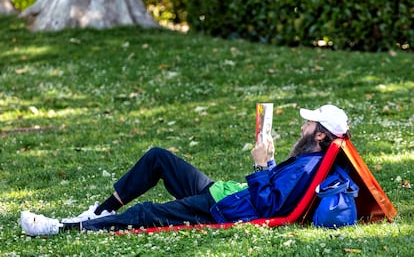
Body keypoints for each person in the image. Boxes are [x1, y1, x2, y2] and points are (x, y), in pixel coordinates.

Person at [21, 104, 350, 236]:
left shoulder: (309, 167)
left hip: (222, 209)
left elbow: (268, 208)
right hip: (226, 193)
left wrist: (261, 164)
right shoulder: (311, 162)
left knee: (148, 212)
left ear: (320, 134)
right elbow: (279, 192)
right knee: (158, 157)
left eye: (310, 123)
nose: (303, 125)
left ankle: (64, 228)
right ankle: (99, 212)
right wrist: (272, 163)